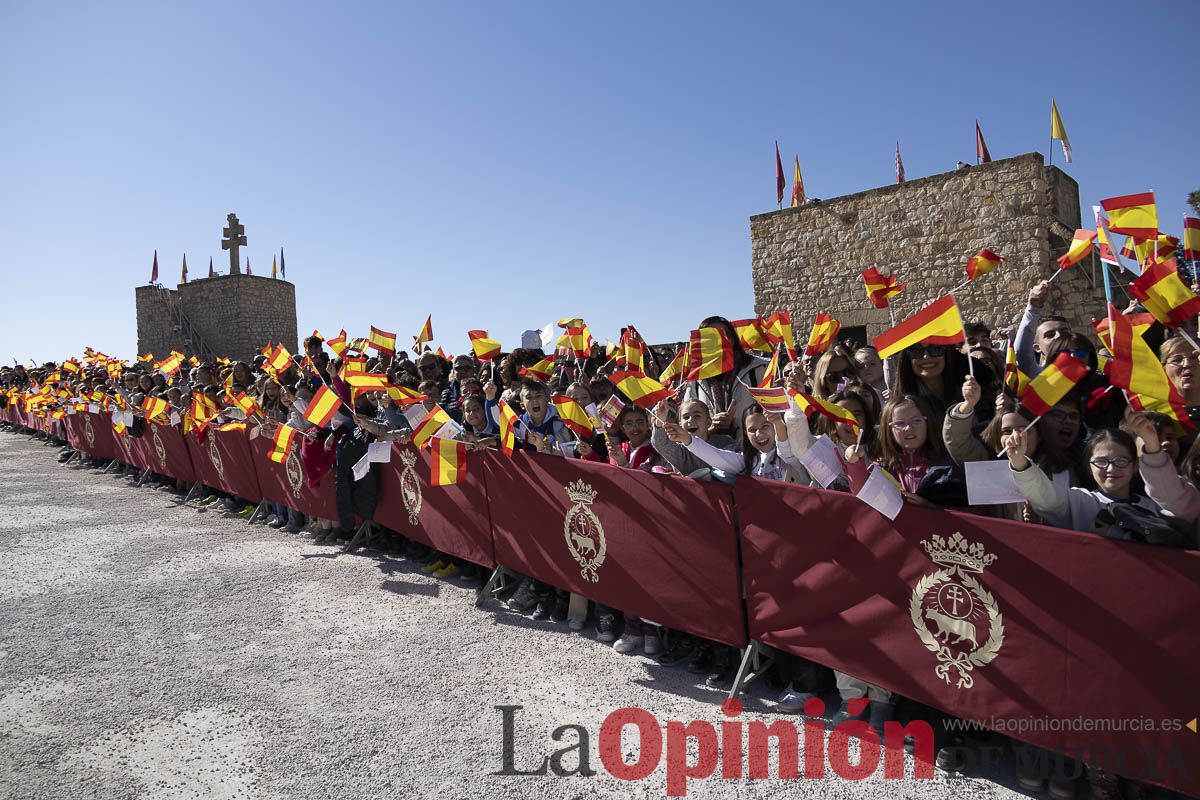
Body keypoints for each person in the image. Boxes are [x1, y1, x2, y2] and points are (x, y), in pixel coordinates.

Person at [681, 316, 769, 437]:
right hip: (711, 451)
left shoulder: (760, 368)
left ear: (732, 338)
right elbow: (687, 422)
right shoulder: (696, 379)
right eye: (711, 337)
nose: (719, 341)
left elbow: (775, 413)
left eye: (723, 335)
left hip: (753, 448)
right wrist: (711, 427)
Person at [1013, 280, 1072, 377]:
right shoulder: (1037, 376)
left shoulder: (1089, 373)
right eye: (1050, 335)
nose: (1058, 336)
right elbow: (1021, 352)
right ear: (1037, 348)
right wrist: (1033, 308)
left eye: (1065, 333)